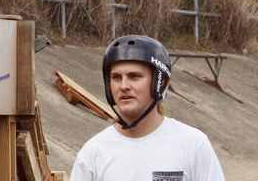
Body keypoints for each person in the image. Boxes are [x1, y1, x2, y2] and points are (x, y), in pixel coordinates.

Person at [69, 35, 225, 181]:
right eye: (116, 77)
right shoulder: (92, 154)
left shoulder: (193, 146)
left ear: (160, 82)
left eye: (134, 76)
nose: (124, 86)